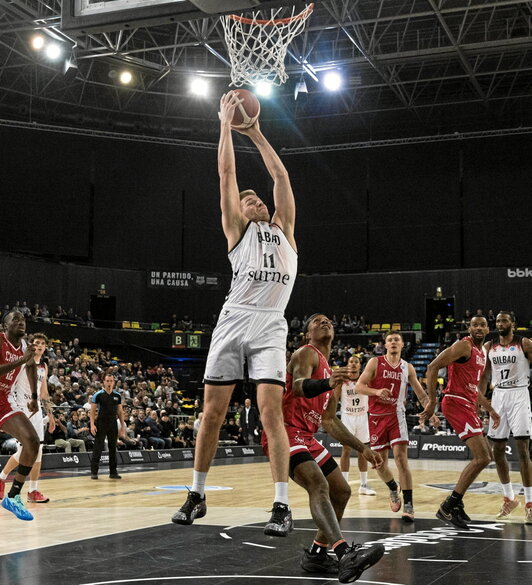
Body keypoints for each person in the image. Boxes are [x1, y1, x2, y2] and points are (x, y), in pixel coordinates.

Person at [172, 91, 298, 536]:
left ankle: (281, 505)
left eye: (258, 199)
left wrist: (257, 133)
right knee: (212, 413)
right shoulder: (236, 231)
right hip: (233, 320)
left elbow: (280, 176)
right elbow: (226, 172)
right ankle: (197, 492)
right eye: (249, 201)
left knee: (270, 413)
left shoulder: (284, 231)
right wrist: (225, 125)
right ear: (239, 213)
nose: (256, 200)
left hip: (270, 326)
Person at [263, 313, 385, 582]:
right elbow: (296, 388)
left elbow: (329, 421)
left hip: (307, 436)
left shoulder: (333, 373)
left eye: (329, 320)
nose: (325, 322)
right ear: (308, 333)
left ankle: (317, 555)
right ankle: (344, 554)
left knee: (341, 491)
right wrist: (326, 383)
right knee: (319, 485)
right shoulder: (306, 353)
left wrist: (361, 448)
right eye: (317, 321)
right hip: (285, 433)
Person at [422, 315, 500, 529]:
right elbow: (432, 367)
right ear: (469, 327)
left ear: (487, 329)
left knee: (486, 456)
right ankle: (448, 506)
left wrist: (489, 409)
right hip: (455, 402)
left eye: (482, 325)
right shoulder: (463, 346)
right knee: (483, 457)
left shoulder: (481, 352)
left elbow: (474, 389)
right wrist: (431, 403)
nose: (478, 328)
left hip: (467, 403)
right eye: (474, 324)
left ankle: (456, 503)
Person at [355, 331, 437, 522]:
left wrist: (430, 410)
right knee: (379, 463)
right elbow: (359, 386)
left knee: (401, 459)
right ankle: (393, 487)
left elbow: (420, 393)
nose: (393, 342)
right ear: (385, 344)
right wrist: (376, 391)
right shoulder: (375, 362)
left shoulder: (407, 368)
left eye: (396, 340)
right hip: (375, 417)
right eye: (390, 340)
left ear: (402, 345)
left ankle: (408, 504)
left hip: (396, 415)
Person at [479, 311, 532, 523]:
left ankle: (529, 503)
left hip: (520, 393)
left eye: (504, 320)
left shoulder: (525, 343)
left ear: (513, 323)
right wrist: (480, 400)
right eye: (498, 321)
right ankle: (509, 497)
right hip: (498, 395)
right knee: (497, 449)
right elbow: (483, 375)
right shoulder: (489, 347)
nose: (500, 323)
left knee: (522, 449)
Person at [0, 333, 56, 504]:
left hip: (36, 409)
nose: (39, 346)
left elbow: (44, 393)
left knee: (38, 450)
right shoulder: (23, 362)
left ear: (45, 348)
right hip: (19, 408)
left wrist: (51, 416)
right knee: (23, 451)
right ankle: (2, 477)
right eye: (36, 343)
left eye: (42, 344)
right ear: (31, 345)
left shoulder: (44, 366)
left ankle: (32, 490)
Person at [0, 310, 39, 520]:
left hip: (3, 400)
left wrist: (34, 396)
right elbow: (25, 361)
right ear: (5, 325)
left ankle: (13, 496)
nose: (21, 322)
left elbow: (31, 366)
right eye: (15, 319)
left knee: (32, 441)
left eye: (23, 319)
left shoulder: (24, 347)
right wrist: (21, 361)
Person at [339, 355, 376, 495]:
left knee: (363, 451)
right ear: (347, 365)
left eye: (356, 362)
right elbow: (334, 397)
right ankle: (344, 485)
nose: (353, 364)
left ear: (360, 365)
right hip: (347, 417)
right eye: (351, 362)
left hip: (362, 417)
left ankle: (364, 485)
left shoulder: (365, 380)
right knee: (346, 450)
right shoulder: (341, 381)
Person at [89, 373, 126, 480]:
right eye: (107, 381)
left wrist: (122, 426)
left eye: (111, 381)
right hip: (101, 423)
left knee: (113, 448)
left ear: (114, 382)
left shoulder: (117, 395)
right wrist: (92, 425)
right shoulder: (98, 395)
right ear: (104, 382)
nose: (109, 383)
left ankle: (113, 472)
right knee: (98, 447)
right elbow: (92, 412)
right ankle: (94, 472)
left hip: (113, 424)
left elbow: (120, 412)